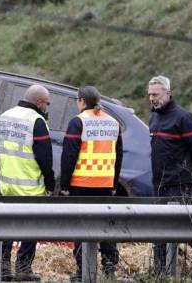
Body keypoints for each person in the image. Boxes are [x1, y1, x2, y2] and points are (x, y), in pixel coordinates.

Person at [61, 86, 122, 280]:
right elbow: (118, 156)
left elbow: (69, 156)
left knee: (82, 227)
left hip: (82, 183)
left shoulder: (78, 122)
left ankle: (84, 271)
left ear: (81, 101)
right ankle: (110, 268)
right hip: (105, 183)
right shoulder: (113, 123)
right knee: (106, 226)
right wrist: (113, 184)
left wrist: (64, 186)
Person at [147, 75, 192, 274]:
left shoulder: (183, 117)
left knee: (184, 227)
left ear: (168, 93)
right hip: (160, 183)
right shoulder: (154, 117)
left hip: (179, 183)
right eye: (149, 95)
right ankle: (160, 270)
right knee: (158, 228)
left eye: (155, 94)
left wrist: (189, 173)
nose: (152, 98)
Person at [0, 84, 55, 282]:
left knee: (7, 227)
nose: (47, 107)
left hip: (7, 185)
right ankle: (23, 269)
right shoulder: (36, 121)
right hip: (30, 186)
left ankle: (3, 267)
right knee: (31, 228)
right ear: (39, 102)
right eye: (46, 103)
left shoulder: (5, 116)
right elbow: (45, 157)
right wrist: (50, 182)